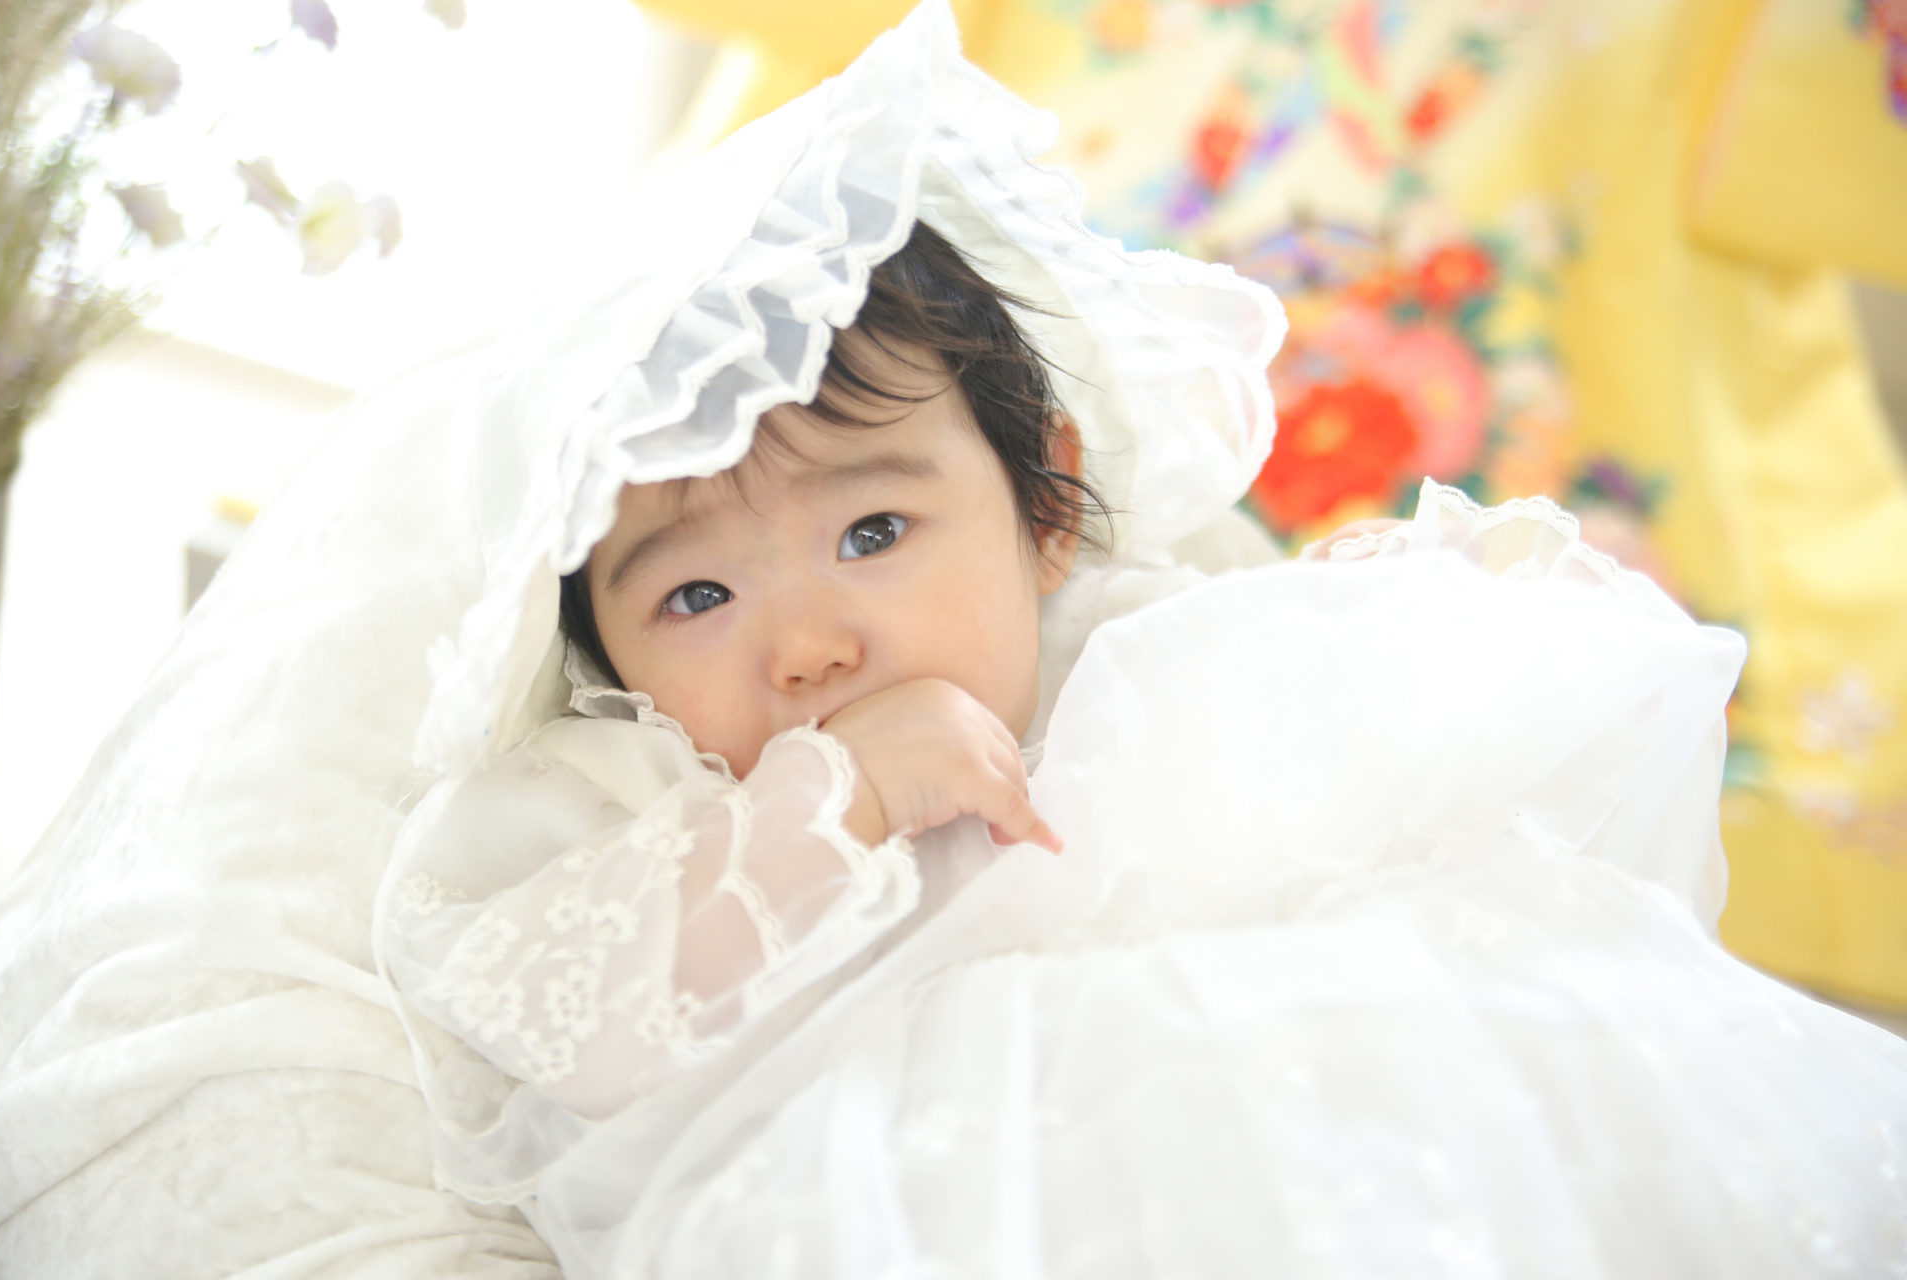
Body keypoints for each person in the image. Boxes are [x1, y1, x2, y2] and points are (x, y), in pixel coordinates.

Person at [369, 6, 1907, 1278]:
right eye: (695, 598)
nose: (808, 644)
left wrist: (1415, 610)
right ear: (598, 647)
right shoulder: (640, 792)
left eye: (874, 534)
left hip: (1282, 1084)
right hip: (922, 1184)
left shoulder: (1126, 639)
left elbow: (1339, 749)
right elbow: (573, 1039)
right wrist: (833, 802)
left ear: (1048, 515)